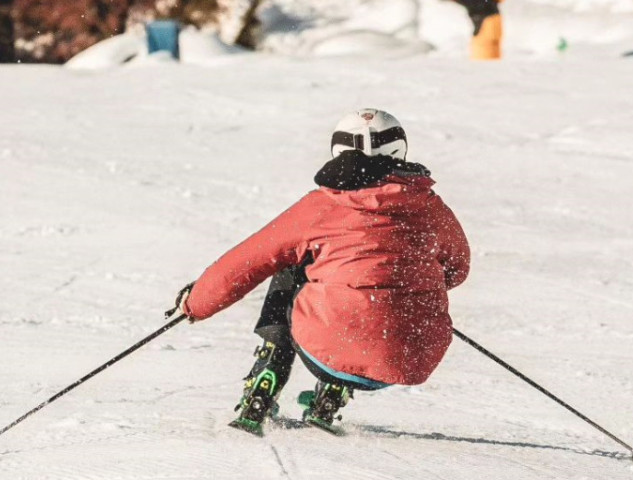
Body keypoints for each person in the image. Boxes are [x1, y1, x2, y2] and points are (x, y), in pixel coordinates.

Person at [172, 109, 471, 435]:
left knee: (291, 267)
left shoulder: (322, 206)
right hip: (411, 360)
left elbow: (246, 262)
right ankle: (332, 394)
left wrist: (195, 302)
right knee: (346, 294)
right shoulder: (429, 206)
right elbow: (457, 268)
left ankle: (267, 377)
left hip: (333, 350)